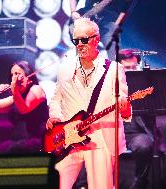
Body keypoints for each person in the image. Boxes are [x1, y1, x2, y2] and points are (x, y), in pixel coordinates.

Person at [47, 17, 132, 189]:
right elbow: (57, 99)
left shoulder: (114, 69)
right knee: (54, 180)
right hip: (70, 137)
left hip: (101, 139)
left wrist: (124, 107)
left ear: (96, 39)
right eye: (76, 40)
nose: (79, 44)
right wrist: (55, 116)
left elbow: (124, 106)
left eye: (84, 39)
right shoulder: (65, 69)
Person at [0, 60, 49, 153]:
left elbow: (24, 109)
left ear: (29, 78)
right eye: (12, 75)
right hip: (19, 141)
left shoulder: (36, 89)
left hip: (39, 140)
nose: (14, 78)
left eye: (17, 74)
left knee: (12, 150)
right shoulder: (16, 97)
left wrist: (15, 90)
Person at [118, 48, 154, 189]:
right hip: (112, 132)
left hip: (137, 133)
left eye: (134, 67)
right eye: (127, 68)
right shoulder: (108, 84)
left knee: (144, 146)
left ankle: (140, 182)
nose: (131, 71)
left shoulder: (146, 85)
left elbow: (154, 112)